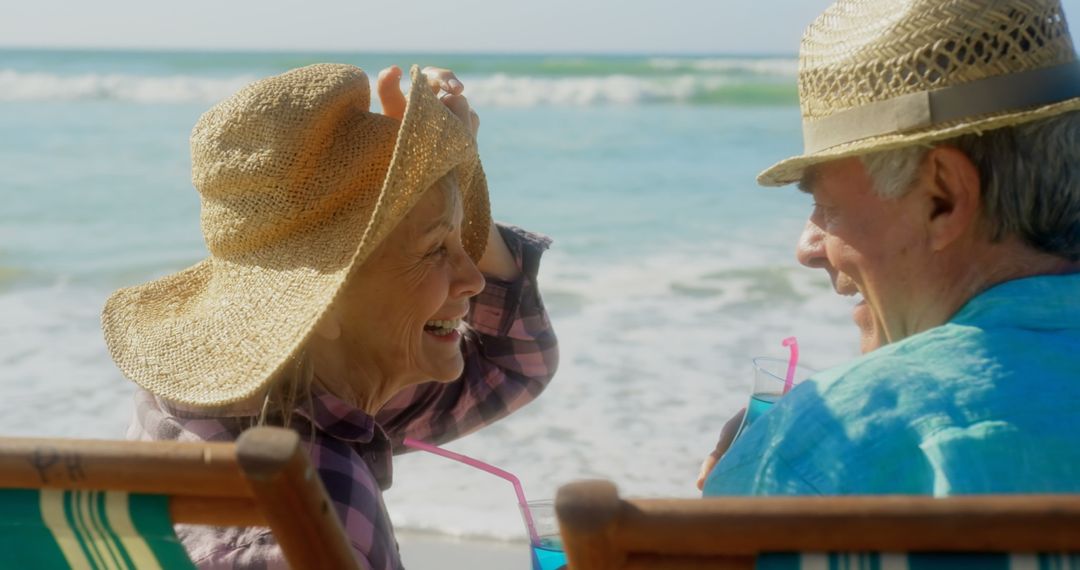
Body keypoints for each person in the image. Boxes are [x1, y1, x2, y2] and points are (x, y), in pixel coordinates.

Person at [101, 63, 558, 568]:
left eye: (462, 237)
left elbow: (511, 364)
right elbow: (513, 366)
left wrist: (441, 176)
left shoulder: (206, 404)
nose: (474, 277)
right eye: (436, 249)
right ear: (324, 302)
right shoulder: (308, 518)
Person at [701, 0, 1080, 496]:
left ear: (942, 199)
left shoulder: (827, 443)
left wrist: (756, 465)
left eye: (827, 206)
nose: (808, 247)